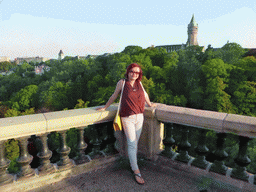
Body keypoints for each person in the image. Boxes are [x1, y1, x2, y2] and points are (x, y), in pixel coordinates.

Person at [96, 63, 157, 185]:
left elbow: (145, 95)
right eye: (132, 71)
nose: (134, 74)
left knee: (134, 143)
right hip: (127, 118)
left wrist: (150, 105)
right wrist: (105, 107)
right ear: (128, 72)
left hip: (140, 116)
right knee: (132, 144)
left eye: (137, 72)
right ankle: (136, 171)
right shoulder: (122, 83)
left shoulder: (139, 83)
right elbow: (114, 95)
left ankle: (132, 163)